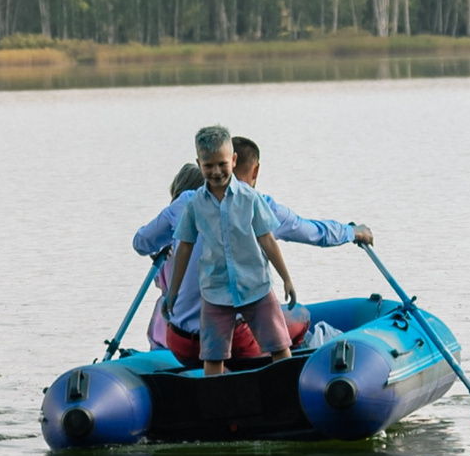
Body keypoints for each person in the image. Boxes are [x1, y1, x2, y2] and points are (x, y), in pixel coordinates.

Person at [134, 138, 372, 363]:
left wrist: (165, 244)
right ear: (252, 170)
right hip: (234, 338)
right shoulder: (258, 203)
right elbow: (314, 232)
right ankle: (289, 371)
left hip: (180, 339)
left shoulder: (186, 202)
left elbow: (141, 242)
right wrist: (353, 232)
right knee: (299, 316)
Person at [162, 125, 296, 376]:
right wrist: (173, 292)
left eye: (222, 164)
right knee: (213, 356)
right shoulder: (194, 205)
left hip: (256, 286)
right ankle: (214, 397)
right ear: (199, 164)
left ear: (233, 160)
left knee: (279, 345)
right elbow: (184, 249)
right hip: (215, 291)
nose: (216, 171)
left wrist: (286, 279)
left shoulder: (250, 198)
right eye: (208, 165)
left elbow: (267, 240)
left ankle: (288, 387)